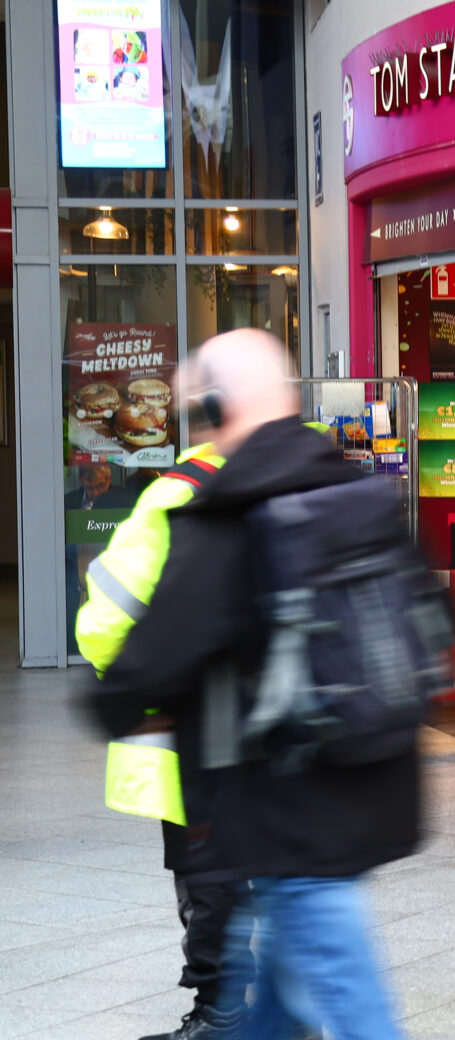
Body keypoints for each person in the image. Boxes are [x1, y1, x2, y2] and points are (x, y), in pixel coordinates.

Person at [90, 330, 419, 1040]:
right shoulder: (356, 486)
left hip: (287, 804)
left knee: (348, 996)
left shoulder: (226, 507)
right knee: (280, 993)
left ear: (216, 404)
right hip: (373, 783)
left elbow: (156, 652)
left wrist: (114, 704)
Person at [75, 438, 232, 1040]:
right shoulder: (306, 480)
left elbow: (107, 616)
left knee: (208, 874)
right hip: (285, 735)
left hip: (188, 729)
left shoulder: (176, 495)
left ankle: (221, 1014)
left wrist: (130, 687)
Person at [66, 462, 136, 510]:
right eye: (89, 488)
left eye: (100, 486)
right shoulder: (67, 502)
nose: (95, 493)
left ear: (109, 480)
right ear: (81, 480)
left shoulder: (126, 501)